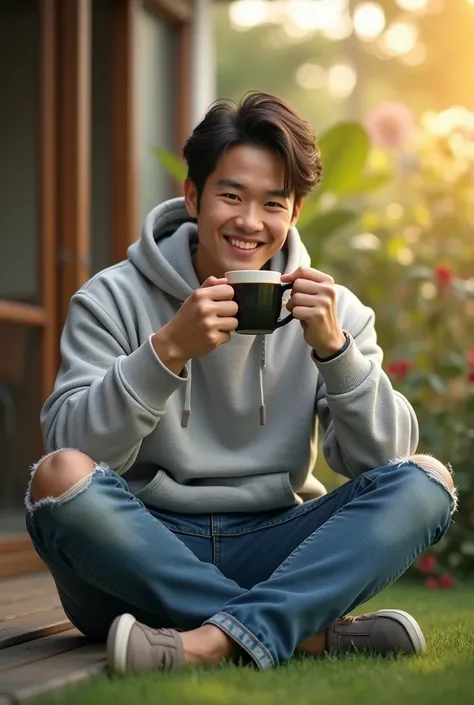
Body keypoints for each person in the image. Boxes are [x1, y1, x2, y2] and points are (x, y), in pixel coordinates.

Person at [25, 92, 456, 675]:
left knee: (426, 480)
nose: (250, 222)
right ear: (193, 196)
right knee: (57, 477)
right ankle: (302, 634)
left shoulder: (334, 311)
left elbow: (383, 462)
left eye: (272, 203)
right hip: (138, 554)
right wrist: (167, 350)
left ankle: (209, 640)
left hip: (276, 546)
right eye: (231, 195)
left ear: (294, 213)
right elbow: (72, 447)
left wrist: (336, 352)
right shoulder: (111, 298)